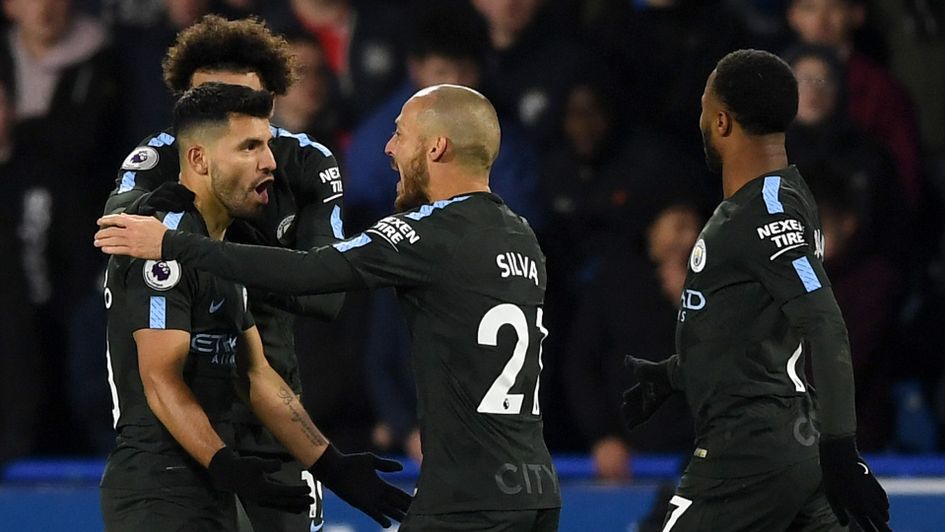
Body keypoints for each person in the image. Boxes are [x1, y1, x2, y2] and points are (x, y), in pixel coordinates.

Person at [95, 83, 562, 531]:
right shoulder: (521, 235)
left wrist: (173, 245)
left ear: (436, 148)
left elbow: (310, 276)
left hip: (466, 497)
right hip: (536, 488)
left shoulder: (428, 232)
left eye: (399, 134)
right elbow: (220, 374)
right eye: (251, 146)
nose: (388, 149)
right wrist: (329, 465)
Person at [98, 83, 410, 531]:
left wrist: (330, 463)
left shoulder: (219, 244)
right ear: (199, 160)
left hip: (213, 485)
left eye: (267, 143)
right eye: (249, 147)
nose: (269, 162)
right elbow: (159, 379)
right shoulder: (161, 243)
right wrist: (223, 462)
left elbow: (256, 375)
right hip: (160, 487)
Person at [619, 50, 890, 531]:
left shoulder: (767, 211)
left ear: (721, 121)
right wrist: (675, 373)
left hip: (748, 451)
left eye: (704, 107)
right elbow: (757, 332)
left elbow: (823, 322)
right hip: (787, 444)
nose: (700, 119)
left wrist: (842, 451)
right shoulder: (780, 197)